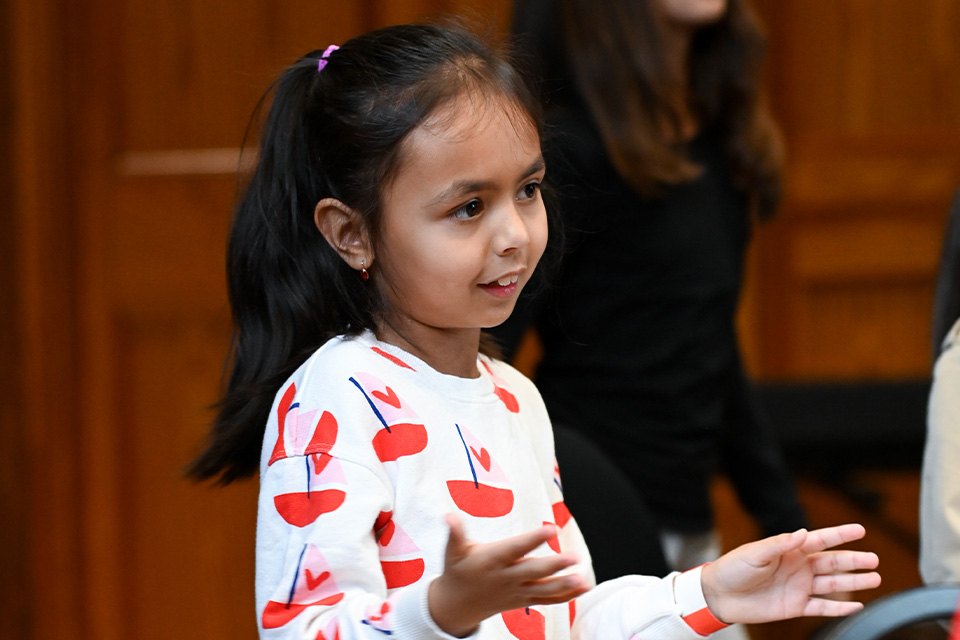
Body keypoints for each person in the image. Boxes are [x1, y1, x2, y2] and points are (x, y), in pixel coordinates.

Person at [188, 22, 880, 640]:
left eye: (528, 189)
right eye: (467, 207)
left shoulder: (516, 398)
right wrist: (440, 612)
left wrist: (708, 593)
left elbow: (572, 619)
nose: (516, 234)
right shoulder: (335, 398)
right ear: (351, 234)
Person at [494, 0, 808, 591]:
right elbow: (484, 350)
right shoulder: (571, 152)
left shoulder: (717, 140)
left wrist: (782, 515)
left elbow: (708, 347)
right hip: (590, 525)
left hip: (688, 521)